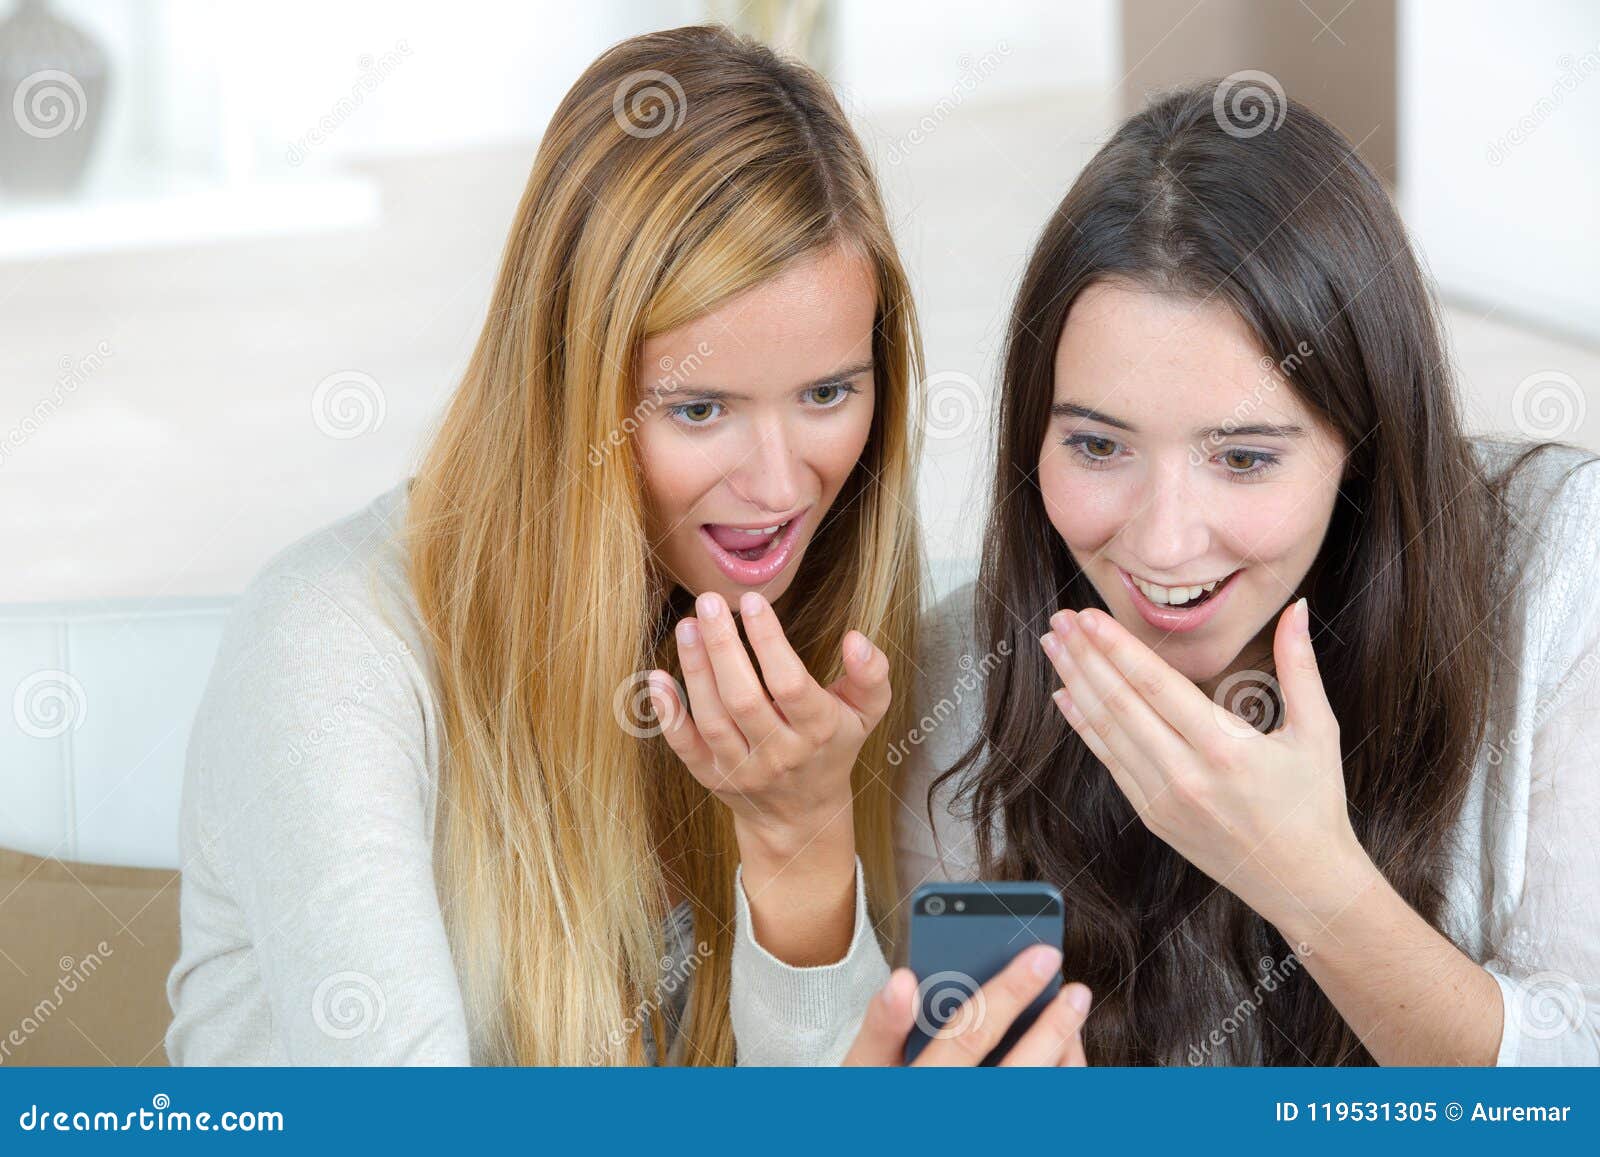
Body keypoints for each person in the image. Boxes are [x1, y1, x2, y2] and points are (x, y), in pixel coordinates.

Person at [821, 82, 1600, 1066]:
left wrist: (1310, 882)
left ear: (1360, 441)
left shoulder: (1563, 577)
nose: (1162, 543)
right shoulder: (965, 685)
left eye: (1242, 457)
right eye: (1099, 446)